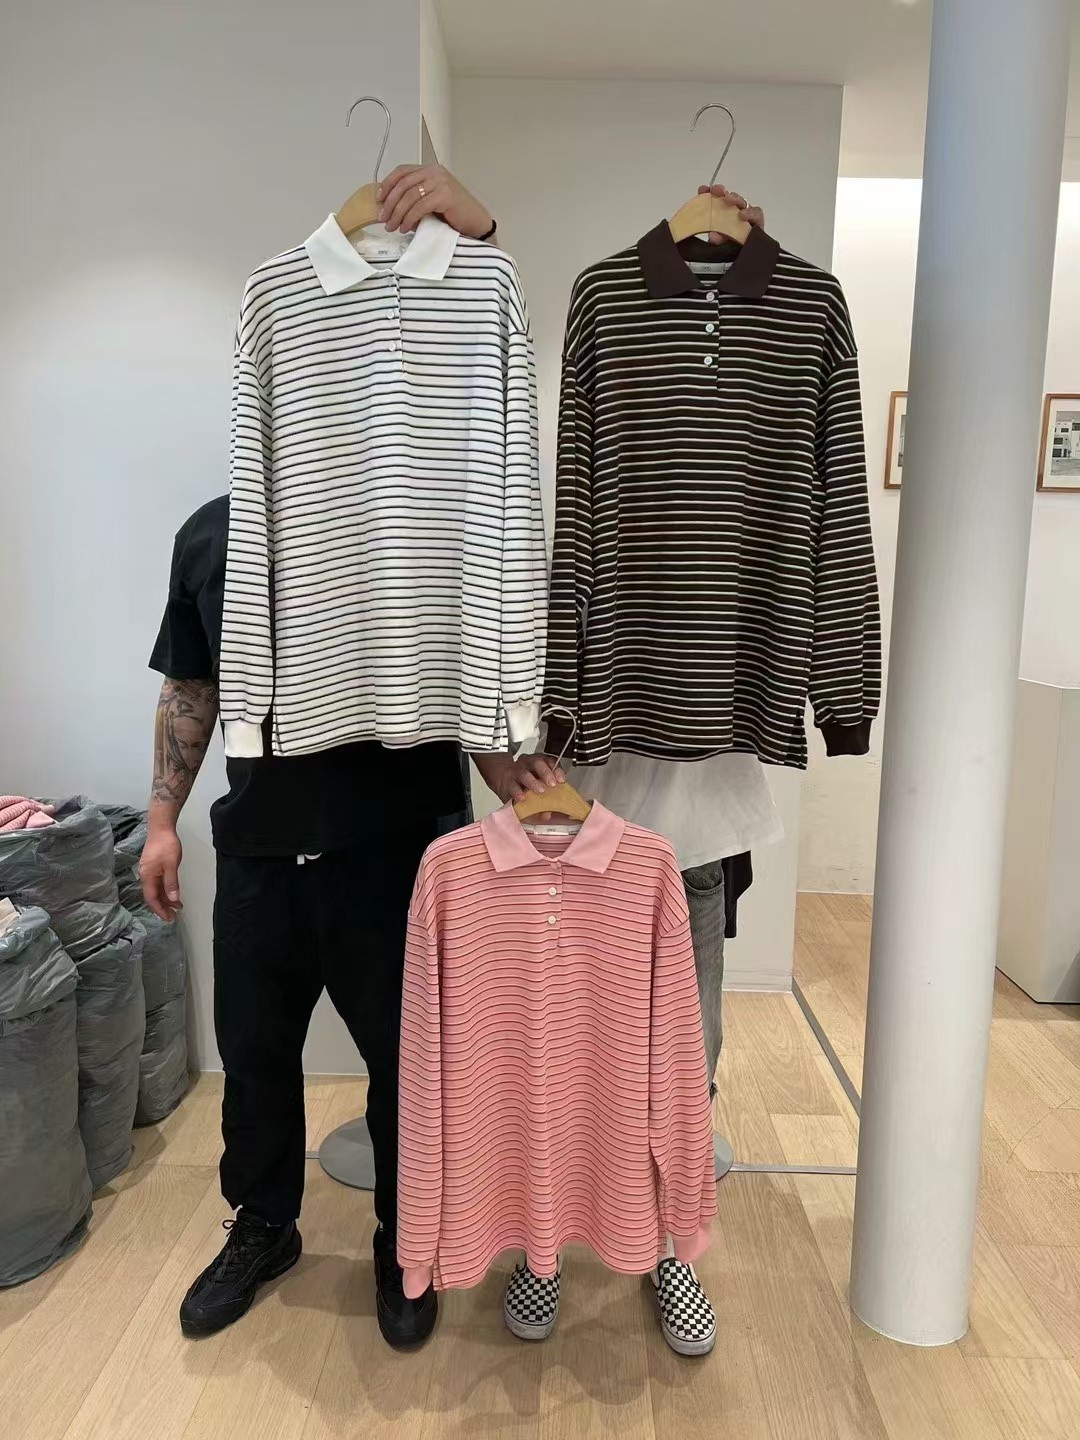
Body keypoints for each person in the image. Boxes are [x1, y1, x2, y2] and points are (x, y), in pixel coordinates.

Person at [141, 165, 764, 1349]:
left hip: (396, 848)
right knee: (256, 1064)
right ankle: (261, 1227)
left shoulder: (427, 483)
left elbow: (472, 650)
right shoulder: (215, 538)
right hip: (260, 847)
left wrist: (530, 776)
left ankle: (403, 1249)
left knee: (409, 1070)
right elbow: (191, 688)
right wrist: (162, 819)